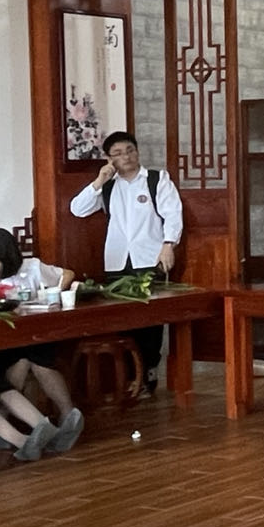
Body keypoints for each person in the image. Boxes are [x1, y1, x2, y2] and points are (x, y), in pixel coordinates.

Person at [68, 130, 183, 396]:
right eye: (118, 154)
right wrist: (99, 180)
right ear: (109, 159)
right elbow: (77, 209)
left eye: (130, 150)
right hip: (117, 261)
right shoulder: (108, 186)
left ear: (137, 151)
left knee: (150, 321)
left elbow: (173, 214)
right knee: (123, 320)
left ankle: (148, 374)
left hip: (150, 259)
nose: (126, 157)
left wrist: (169, 245)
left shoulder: (156, 179)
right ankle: (130, 377)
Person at [0, 228, 83, 457]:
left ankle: (67, 416)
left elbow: (67, 274)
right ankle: (20, 427)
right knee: (23, 360)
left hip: (34, 333)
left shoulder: (31, 268)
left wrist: (54, 292)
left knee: (36, 359)